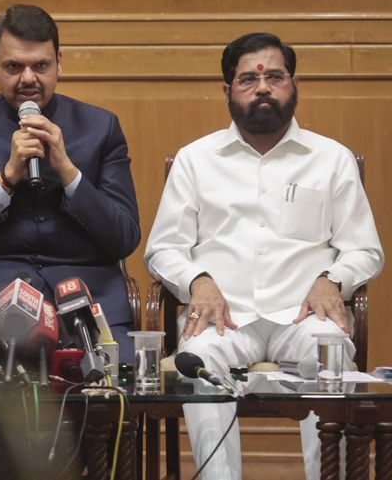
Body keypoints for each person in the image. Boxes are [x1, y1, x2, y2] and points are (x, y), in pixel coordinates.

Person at [144, 32, 383, 479]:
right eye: (248, 79)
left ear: (294, 85)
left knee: (328, 351)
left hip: (303, 317)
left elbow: (365, 249)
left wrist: (332, 279)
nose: (263, 88)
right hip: (224, 318)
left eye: (275, 77)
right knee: (198, 359)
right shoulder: (196, 160)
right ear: (227, 90)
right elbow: (163, 248)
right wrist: (197, 281)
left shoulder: (331, 159)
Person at [0, 4, 140, 361]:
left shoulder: (101, 128)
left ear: (59, 63)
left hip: (87, 302)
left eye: (40, 66)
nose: (28, 78)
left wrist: (68, 172)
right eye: (14, 67)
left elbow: (124, 237)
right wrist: (5, 178)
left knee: (121, 383)